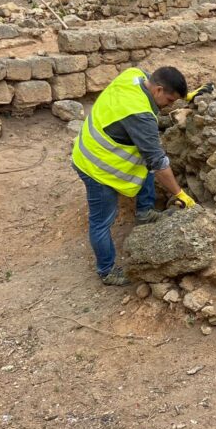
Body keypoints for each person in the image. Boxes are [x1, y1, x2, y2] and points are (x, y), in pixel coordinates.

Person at [72, 65, 197, 287]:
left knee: (144, 161)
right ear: (158, 90)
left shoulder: (134, 75)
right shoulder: (140, 115)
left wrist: (185, 95)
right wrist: (180, 194)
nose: (169, 107)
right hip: (95, 166)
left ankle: (145, 212)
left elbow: (152, 76)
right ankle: (107, 271)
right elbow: (159, 164)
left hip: (104, 147)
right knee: (102, 220)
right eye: (169, 101)